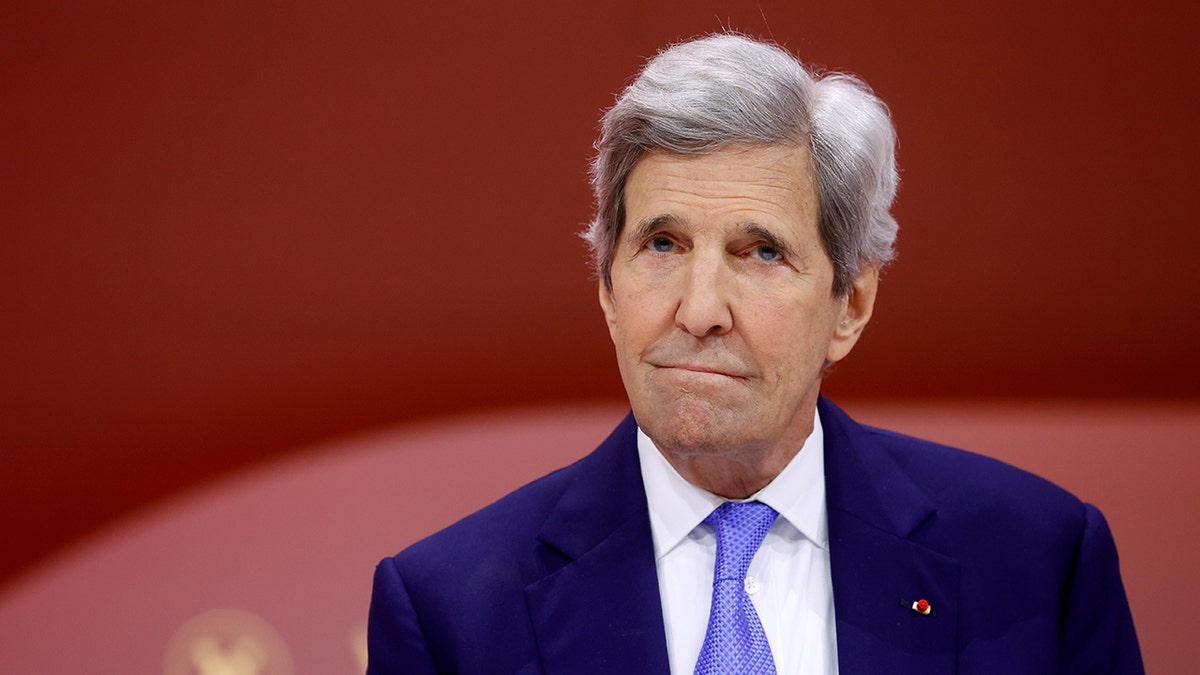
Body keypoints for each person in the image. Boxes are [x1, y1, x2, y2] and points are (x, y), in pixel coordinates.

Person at [366, 33, 1142, 674]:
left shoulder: (1039, 565)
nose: (700, 310)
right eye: (662, 244)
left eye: (761, 252)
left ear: (853, 304)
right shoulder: (450, 616)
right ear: (607, 287)